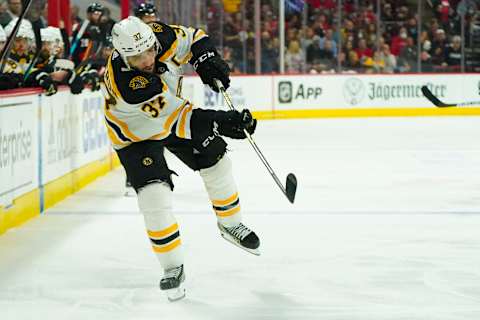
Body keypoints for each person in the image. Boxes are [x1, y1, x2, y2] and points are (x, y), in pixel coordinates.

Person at [104, 16, 260, 301]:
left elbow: (193, 37)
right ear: (124, 55)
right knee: (154, 196)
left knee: (217, 158)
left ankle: (230, 223)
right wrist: (220, 121)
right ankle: (172, 266)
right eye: (138, 57)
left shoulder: (157, 35)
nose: (148, 59)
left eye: (150, 50)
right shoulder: (128, 83)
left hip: (172, 116)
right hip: (136, 136)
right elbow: (176, 117)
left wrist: (205, 58)